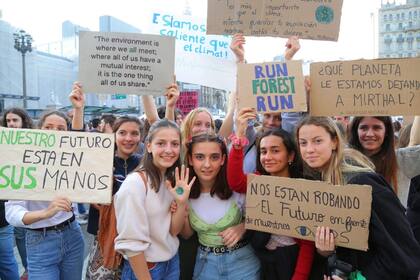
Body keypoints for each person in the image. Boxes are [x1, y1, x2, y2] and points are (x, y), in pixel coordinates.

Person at [296, 116, 420, 279]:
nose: (309, 149)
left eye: (317, 141)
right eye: (303, 143)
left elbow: (401, 253)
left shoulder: (363, 183)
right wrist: (326, 250)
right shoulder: (324, 183)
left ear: (334, 142)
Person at [5, 89, 85, 280]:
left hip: (73, 235)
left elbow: (82, 140)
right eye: (48, 128)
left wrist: (78, 109)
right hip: (39, 240)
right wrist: (46, 213)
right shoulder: (22, 161)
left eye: (60, 129)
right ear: (38, 130)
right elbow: (12, 212)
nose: (54, 133)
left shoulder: (72, 159)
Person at [227, 108, 314, 280]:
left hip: (291, 260)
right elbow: (235, 182)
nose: (267, 157)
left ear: (290, 155)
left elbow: (307, 245)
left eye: (275, 151)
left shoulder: (302, 189)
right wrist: (238, 141)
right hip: (265, 258)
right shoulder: (259, 181)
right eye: (263, 151)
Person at [114, 119, 193, 280]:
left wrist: (181, 202)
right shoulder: (135, 184)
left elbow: (173, 231)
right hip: (146, 268)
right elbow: (131, 244)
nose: (169, 150)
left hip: (171, 262)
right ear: (149, 146)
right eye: (161, 143)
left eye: (175, 144)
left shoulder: (172, 179)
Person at [180, 133, 261, 279]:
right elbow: (187, 234)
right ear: (190, 160)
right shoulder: (183, 190)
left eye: (214, 157)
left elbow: (261, 219)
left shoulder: (237, 189)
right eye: (199, 157)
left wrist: (242, 227)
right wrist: (181, 207)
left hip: (242, 263)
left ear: (223, 159)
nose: (207, 164)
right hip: (205, 265)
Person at [85, 115, 143, 280]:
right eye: (122, 133)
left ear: (141, 137)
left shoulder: (145, 164)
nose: (128, 138)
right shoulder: (99, 161)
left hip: (135, 237)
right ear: (114, 135)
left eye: (134, 133)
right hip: (104, 236)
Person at [348, 116, 420, 206]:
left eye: (377, 128)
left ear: (386, 132)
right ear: (356, 131)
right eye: (364, 128)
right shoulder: (344, 162)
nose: (370, 134)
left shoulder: (402, 160)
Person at [0, 107, 33, 279]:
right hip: (9, 202)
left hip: (29, 200)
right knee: (18, 236)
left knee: (27, 234)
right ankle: (29, 268)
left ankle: (31, 268)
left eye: (15, 120)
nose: (11, 124)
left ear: (23, 122)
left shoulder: (34, 141)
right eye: (8, 121)